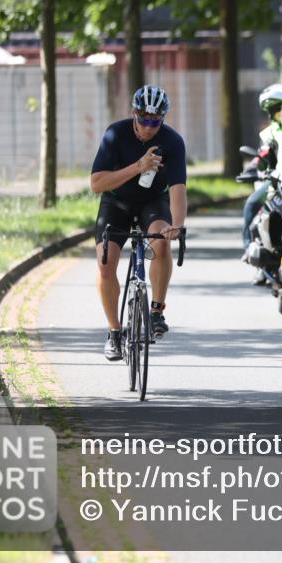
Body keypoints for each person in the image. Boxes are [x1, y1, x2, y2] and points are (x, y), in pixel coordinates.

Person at [91, 85, 187, 361]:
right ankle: (114, 332)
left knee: (161, 240)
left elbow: (178, 189)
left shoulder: (172, 142)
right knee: (106, 265)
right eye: (144, 119)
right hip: (115, 203)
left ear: (163, 119)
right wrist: (138, 167)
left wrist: (177, 224)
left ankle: (156, 311)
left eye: (155, 121)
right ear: (134, 114)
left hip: (152, 203)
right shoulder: (115, 134)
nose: (148, 126)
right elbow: (96, 184)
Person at [242, 83, 282, 284]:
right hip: (276, 181)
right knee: (252, 204)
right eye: (273, 110)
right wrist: (253, 166)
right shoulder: (270, 133)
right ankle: (250, 250)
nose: (276, 113)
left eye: (279, 108)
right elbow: (263, 153)